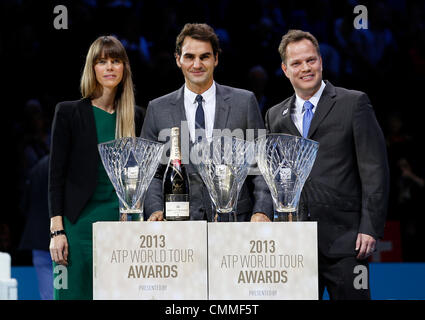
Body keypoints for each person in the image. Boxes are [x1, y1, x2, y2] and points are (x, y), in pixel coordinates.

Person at [264, 30, 389, 299]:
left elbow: (375, 170)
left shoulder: (354, 103)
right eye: (296, 63)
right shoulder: (275, 115)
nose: (305, 68)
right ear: (285, 70)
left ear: (321, 60)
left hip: (347, 243)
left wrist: (369, 227)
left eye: (310, 60)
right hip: (296, 245)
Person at [141, 23, 273, 222]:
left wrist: (261, 210)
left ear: (216, 59)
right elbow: (150, 173)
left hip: (235, 222)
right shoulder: (157, 109)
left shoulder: (244, 102)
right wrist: (154, 210)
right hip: (178, 223)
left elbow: (261, 166)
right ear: (178, 59)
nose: (197, 64)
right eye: (189, 57)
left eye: (204, 56)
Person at [48, 35, 145, 300]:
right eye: (102, 62)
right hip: (77, 226)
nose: (110, 67)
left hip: (122, 226)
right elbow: (55, 178)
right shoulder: (68, 112)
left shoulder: (135, 116)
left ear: (125, 68)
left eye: (116, 61)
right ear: (92, 69)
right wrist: (57, 231)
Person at [19, 155, 52, 300]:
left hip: (39, 239)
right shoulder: (67, 166)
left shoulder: (37, 168)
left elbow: (24, 205)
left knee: (48, 295)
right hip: (62, 239)